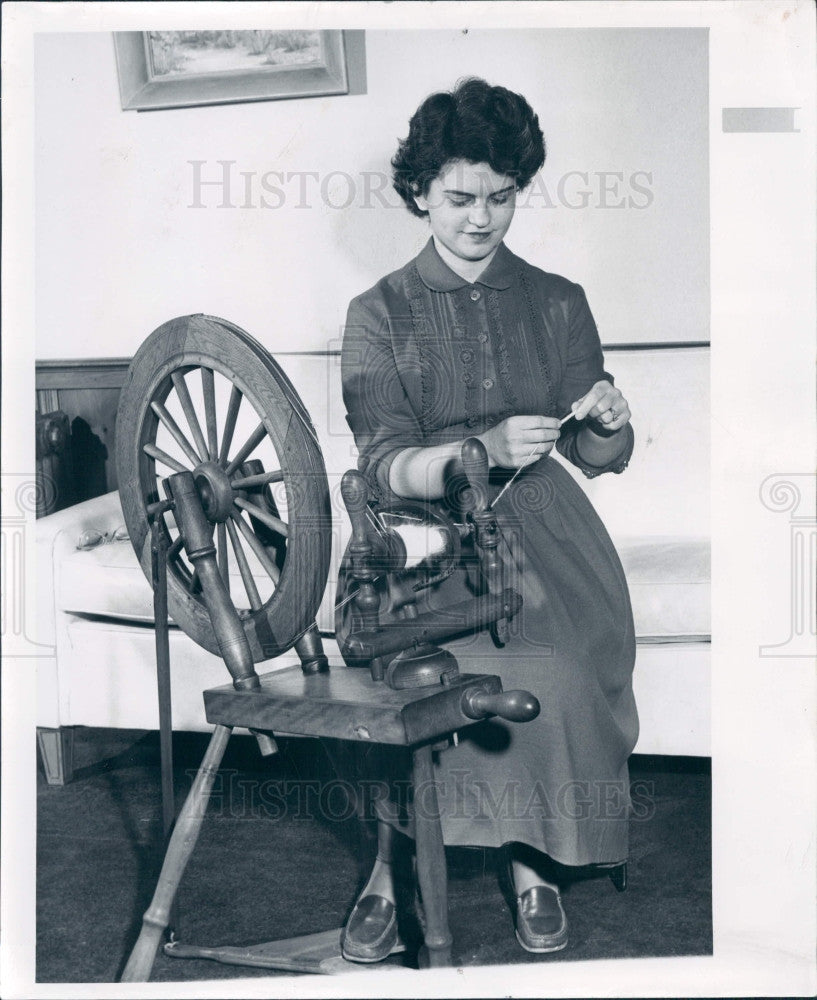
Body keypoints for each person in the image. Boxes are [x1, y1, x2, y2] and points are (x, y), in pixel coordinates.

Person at [337, 77, 638, 961]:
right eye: (460, 198)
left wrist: (606, 424)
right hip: (421, 532)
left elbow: (591, 456)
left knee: (564, 658)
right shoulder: (377, 313)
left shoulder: (557, 299)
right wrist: (478, 452)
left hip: (544, 521)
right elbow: (383, 459)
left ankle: (533, 857)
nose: (480, 219)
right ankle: (390, 867)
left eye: (500, 198)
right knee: (427, 666)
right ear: (420, 191)